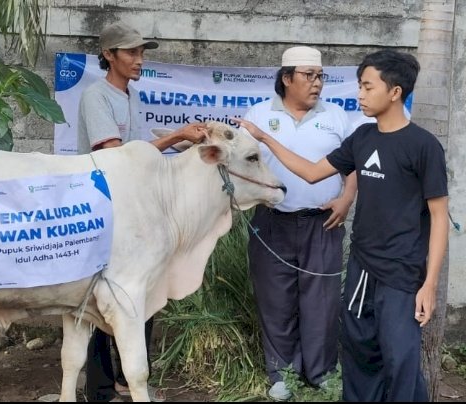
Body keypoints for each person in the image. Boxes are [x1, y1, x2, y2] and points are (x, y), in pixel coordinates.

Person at [237, 50, 448, 402]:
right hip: (363, 266)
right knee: (359, 351)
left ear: (394, 92)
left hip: (402, 271)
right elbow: (311, 171)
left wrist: (429, 284)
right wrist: (265, 137)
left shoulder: (424, 146)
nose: (360, 94)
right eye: (360, 86)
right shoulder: (362, 139)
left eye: (367, 87)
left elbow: (439, 216)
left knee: (399, 356)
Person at [77, 22, 207, 402]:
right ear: (109, 56)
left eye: (141, 52)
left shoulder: (131, 97)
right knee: (102, 297)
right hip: (103, 209)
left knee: (140, 295)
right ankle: (99, 388)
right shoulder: (95, 97)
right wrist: (177, 135)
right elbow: (118, 153)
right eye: (131, 53)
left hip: (132, 213)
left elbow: (144, 151)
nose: (139, 60)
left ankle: (126, 378)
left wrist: (186, 152)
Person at [240, 46, 357, 401]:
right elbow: (241, 165)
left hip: (323, 223)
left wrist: (346, 198)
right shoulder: (258, 117)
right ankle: (282, 373)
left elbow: (352, 167)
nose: (317, 84)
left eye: (320, 76)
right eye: (309, 76)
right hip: (272, 223)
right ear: (287, 78)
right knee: (275, 298)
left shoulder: (337, 117)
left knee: (321, 301)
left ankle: (321, 372)